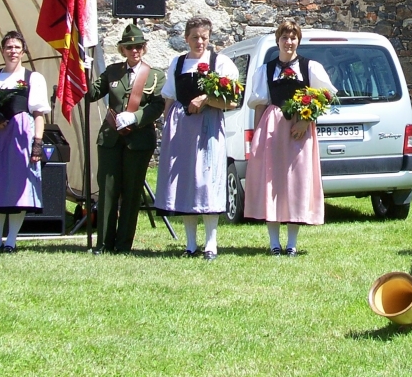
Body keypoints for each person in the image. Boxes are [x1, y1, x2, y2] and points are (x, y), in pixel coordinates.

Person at [244, 20, 337, 256]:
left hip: (299, 130)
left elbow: (326, 96)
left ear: (298, 41)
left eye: (293, 38)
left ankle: (292, 243)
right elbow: (260, 104)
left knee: (297, 181)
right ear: (278, 41)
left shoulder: (310, 67)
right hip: (272, 128)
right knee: (272, 181)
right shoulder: (265, 70)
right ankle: (274, 243)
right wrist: (256, 137)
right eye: (285, 37)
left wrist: (306, 120)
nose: (289, 42)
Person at [154, 17, 239, 261]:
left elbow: (232, 101)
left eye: (204, 37)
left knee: (207, 182)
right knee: (185, 182)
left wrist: (207, 99)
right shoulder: (178, 63)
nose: (199, 42)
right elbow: (170, 98)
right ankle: (190, 243)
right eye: (194, 37)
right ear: (186, 38)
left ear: (209, 38)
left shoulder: (220, 62)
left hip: (208, 128)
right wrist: (168, 125)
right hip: (182, 128)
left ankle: (211, 243)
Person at [0, 30, 50, 252]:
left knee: (17, 186)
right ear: (3, 50)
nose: (12, 51)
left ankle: (11, 241)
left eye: (16, 47)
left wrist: (37, 143)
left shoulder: (33, 78)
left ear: (23, 51)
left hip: (20, 137)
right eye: (8, 47)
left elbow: (39, 114)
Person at [86, 24, 165, 254]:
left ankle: (123, 245)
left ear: (144, 48)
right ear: (122, 49)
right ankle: (104, 243)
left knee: (131, 193)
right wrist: (83, 72)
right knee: (107, 190)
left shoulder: (155, 75)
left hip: (138, 141)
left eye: (139, 46)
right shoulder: (112, 72)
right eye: (130, 47)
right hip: (111, 139)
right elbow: (92, 94)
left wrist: (135, 117)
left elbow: (158, 105)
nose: (134, 51)